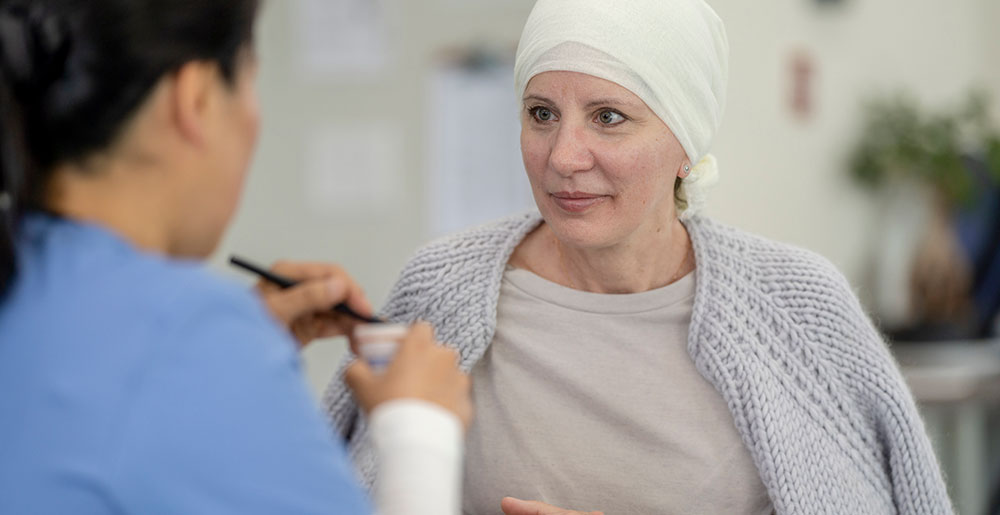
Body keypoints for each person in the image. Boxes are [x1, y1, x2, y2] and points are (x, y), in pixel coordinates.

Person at [324, 0, 953, 513]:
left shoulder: (798, 304)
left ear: (686, 141)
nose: (563, 156)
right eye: (541, 113)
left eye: (608, 117)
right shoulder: (441, 286)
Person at [0, 1, 470, 514]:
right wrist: (419, 427)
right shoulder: (188, 334)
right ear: (195, 98)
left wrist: (231, 367)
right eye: (251, 84)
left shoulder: (29, 280)